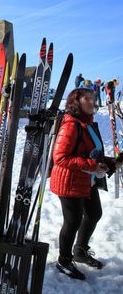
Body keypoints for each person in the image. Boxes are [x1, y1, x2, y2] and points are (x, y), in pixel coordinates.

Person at [50, 88, 120, 281]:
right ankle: (64, 261)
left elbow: (91, 154)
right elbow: (60, 158)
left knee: (94, 213)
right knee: (72, 222)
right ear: (75, 101)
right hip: (69, 181)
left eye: (93, 98)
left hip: (85, 180)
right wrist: (92, 165)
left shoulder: (87, 124)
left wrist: (110, 162)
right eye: (86, 99)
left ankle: (80, 251)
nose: (91, 102)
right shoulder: (71, 125)